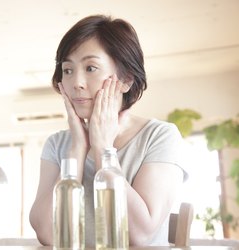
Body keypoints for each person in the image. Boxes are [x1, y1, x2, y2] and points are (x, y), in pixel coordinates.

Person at [29, 14, 187, 247]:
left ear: (126, 80)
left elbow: (139, 235)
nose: (76, 83)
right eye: (68, 70)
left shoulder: (160, 136)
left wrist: (103, 148)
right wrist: (78, 149)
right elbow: (47, 234)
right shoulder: (57, 145)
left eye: (90, 68)